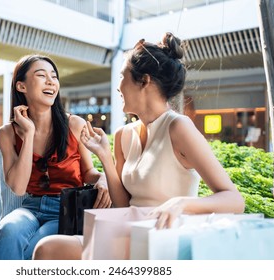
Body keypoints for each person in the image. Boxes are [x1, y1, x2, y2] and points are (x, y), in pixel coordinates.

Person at [32, 32, 245, 260]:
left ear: (144, 81)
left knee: (48, 250)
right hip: (128, 233)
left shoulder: (179, 127)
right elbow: (122, 205)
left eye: (122, 77)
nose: (118, 87)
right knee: (48, 249)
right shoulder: (124, 135)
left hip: (162, 241)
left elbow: (234, 200)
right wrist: (104, 155)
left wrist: (180, 204)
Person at [0, 54, 111, 260]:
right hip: (30, 208)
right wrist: (28, 134)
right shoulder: (7, 133)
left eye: (54, 76)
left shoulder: (74, 125)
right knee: (8, 229)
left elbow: (88, 172)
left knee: (36, 246)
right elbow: (18, 187)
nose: (51, 81)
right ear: (21, 86)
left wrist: (104, 178)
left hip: (64, 209)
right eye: (41, 75)